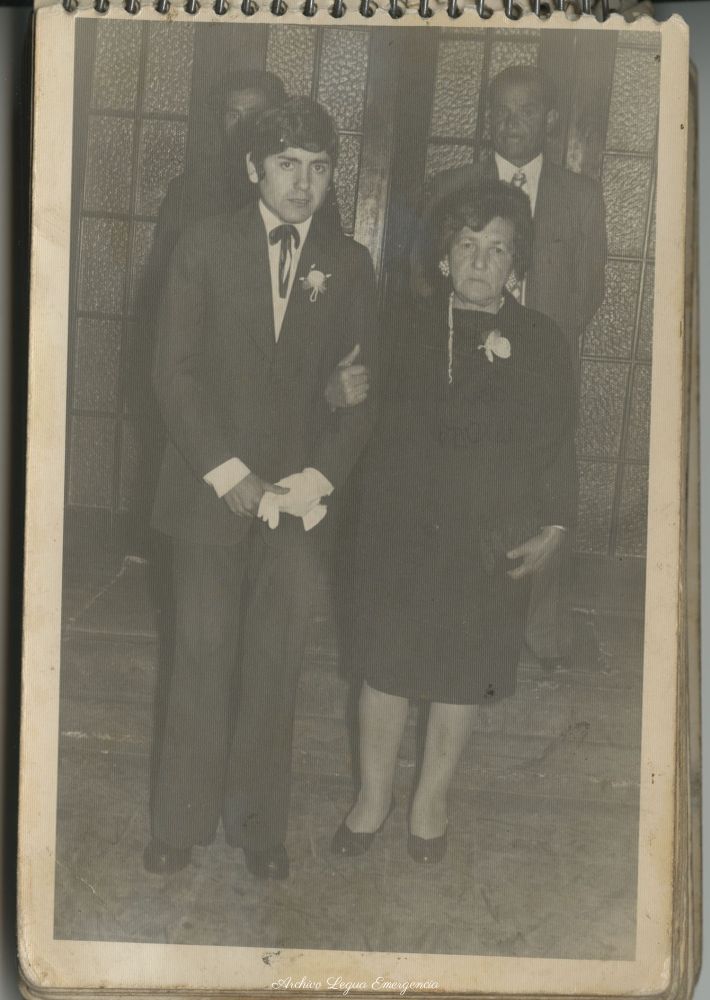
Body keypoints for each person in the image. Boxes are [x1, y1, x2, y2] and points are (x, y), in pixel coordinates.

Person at [144, 97, 378, 881]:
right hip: (206, 490)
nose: (302, 183)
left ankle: (257, 825)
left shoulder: (349, 264)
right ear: (253, 169)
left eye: (318, 168)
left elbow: (360, 391)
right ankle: (178, 823)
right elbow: (173, 374)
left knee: (276, 663)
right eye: (286, 165)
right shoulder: (203, 246)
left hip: (300, 500)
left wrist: (317, 475)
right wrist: (228, 472)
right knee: (201, 655)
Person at [332, 180, 575, 864]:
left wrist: (555, 524)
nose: (480, 261)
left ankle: (430, 803)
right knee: (385, 667)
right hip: (398, 527)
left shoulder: (541, 341)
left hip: (488, 535)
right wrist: (336, 396)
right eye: (467, 245)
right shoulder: (399, 326)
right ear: (443, 257)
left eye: (498, 249)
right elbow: (355, 414)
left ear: (516, 265)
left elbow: (559, 441)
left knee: (464, 671)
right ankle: (372, 799)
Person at [413, 65, 607, 669]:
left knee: (541, 484)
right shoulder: (451, 185)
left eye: (526, 111)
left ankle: (539, 622)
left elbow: (588, 288)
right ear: (487, 117)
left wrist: (533, 342)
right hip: (460, 362)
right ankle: (446, 611)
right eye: (501, 111)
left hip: (538, 367)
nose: (512, 122)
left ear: (550, 120)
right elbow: (426, 278)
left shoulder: (581, 196)